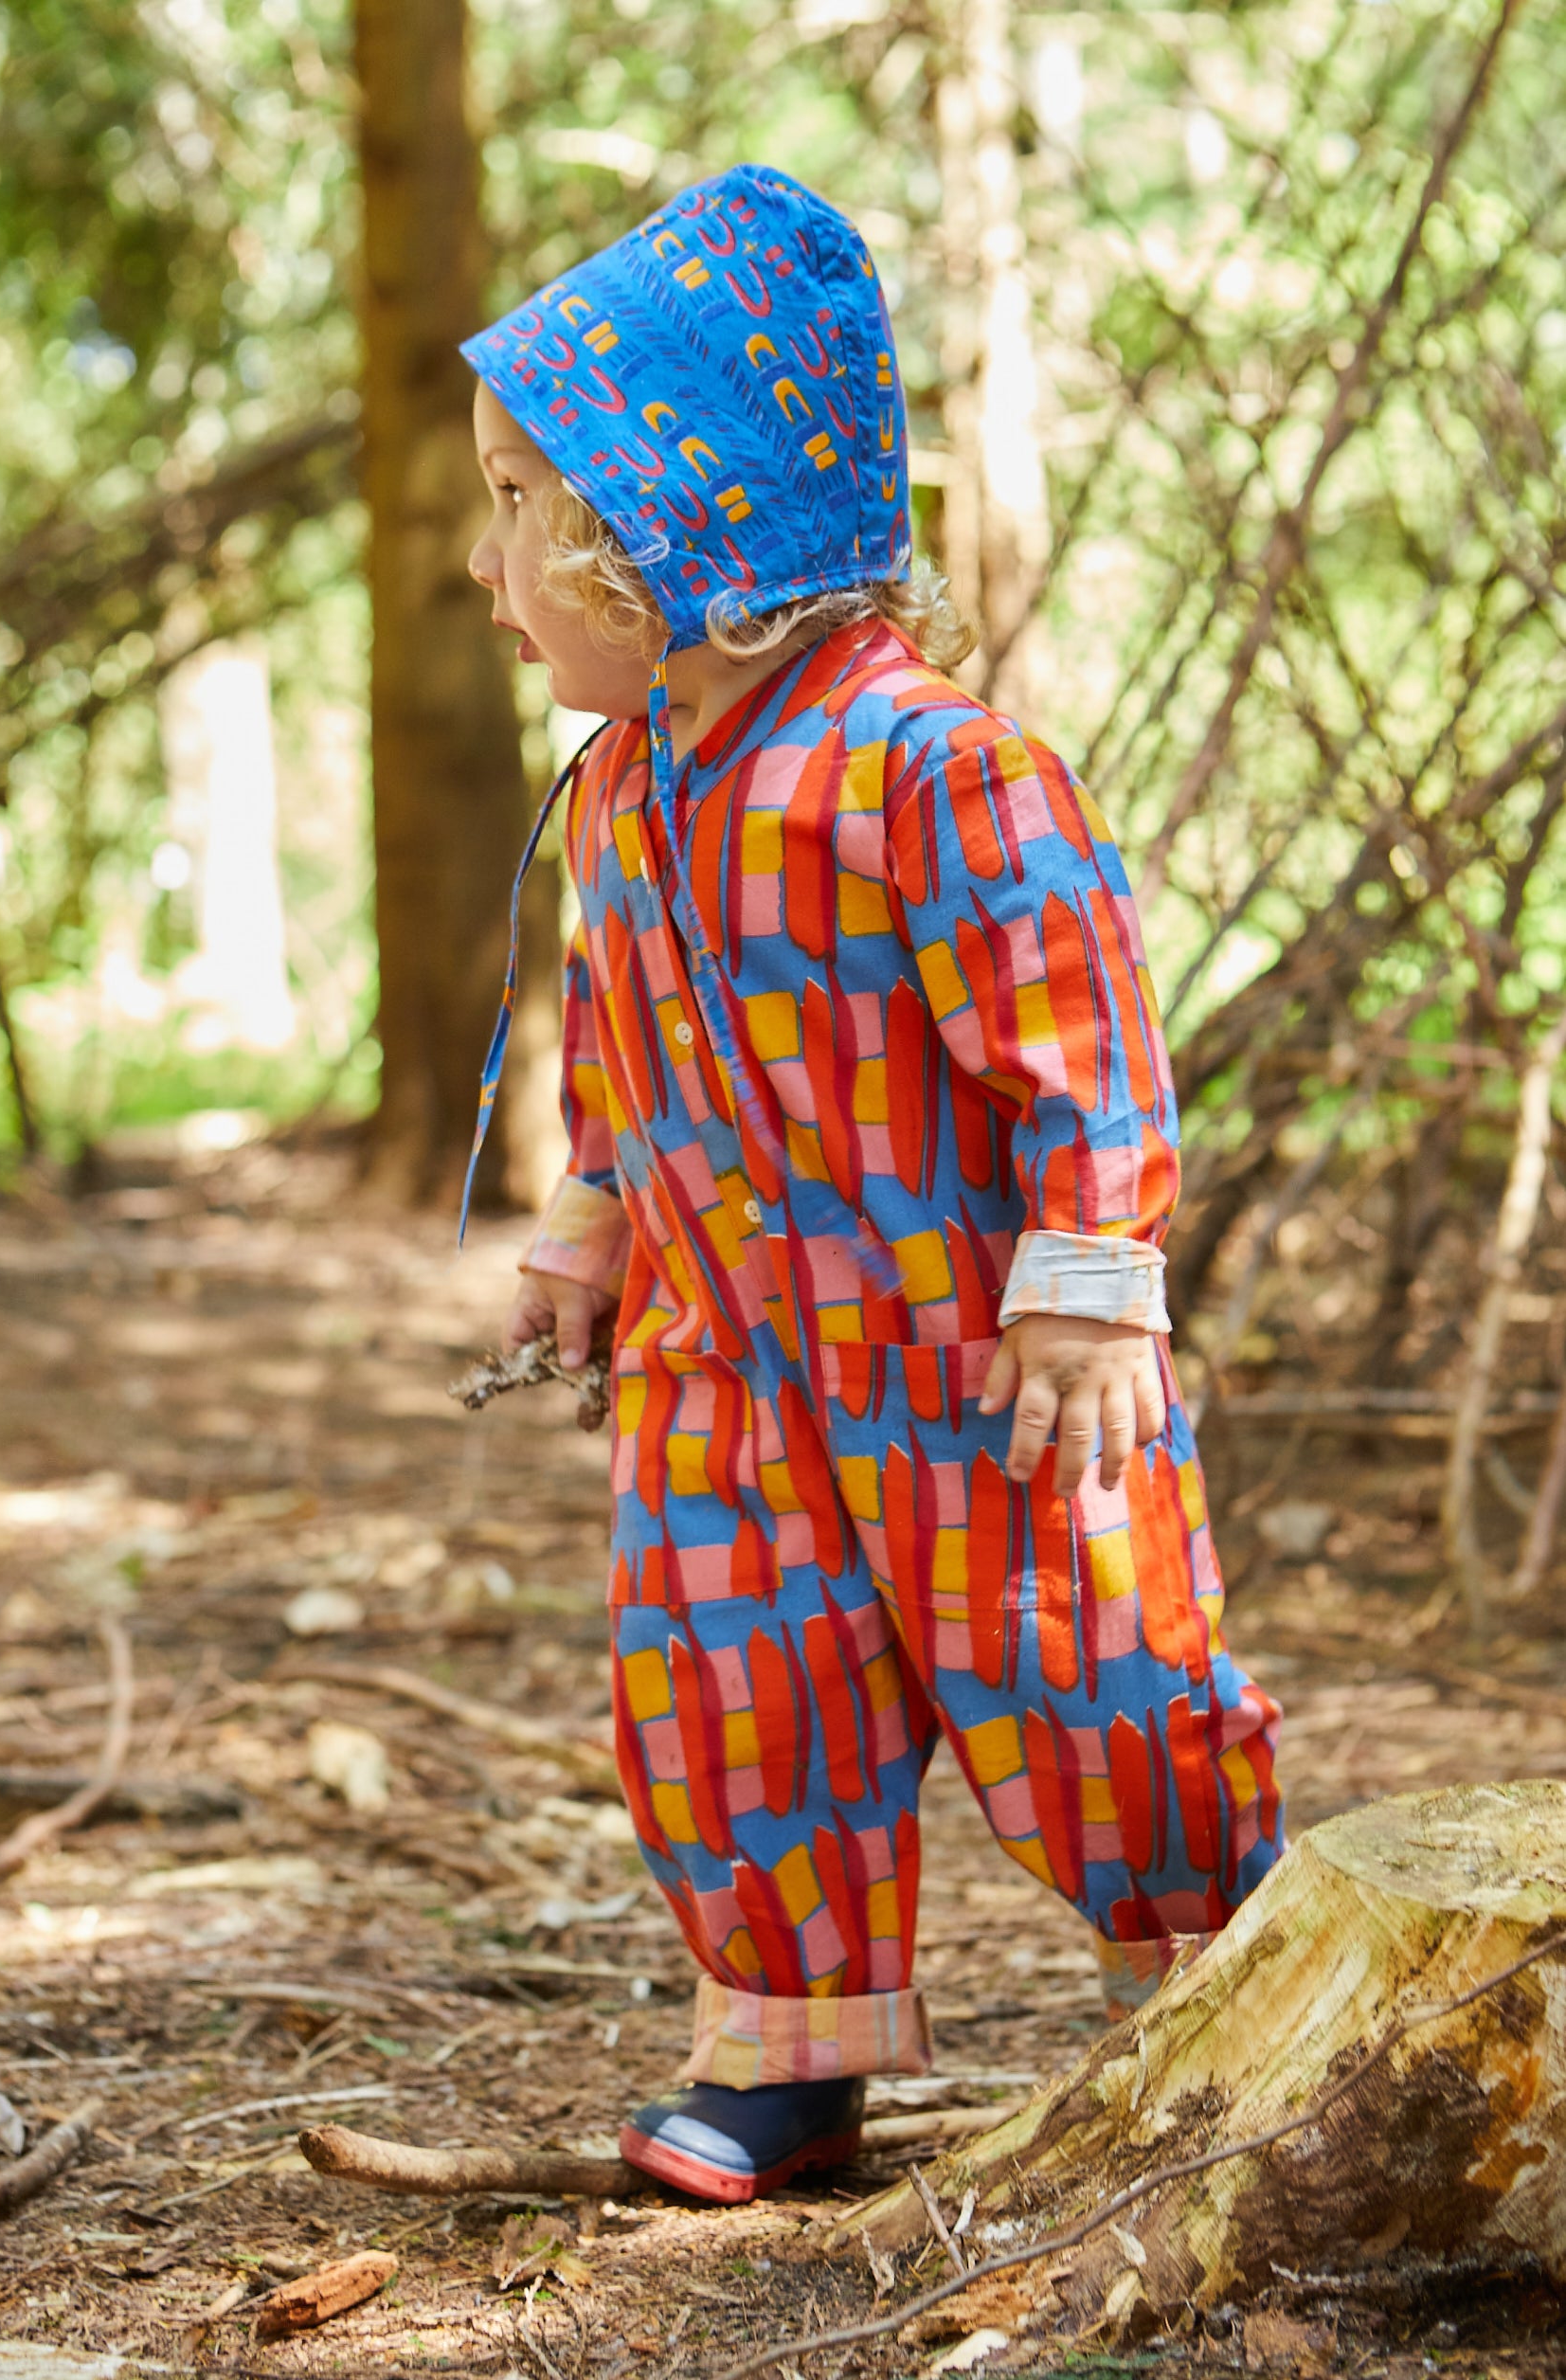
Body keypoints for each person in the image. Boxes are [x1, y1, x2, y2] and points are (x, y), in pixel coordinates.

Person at [460, 162, 1284, 2205]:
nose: (482, 563)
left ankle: (1207, 1996)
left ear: (656, 525)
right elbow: (625, 1044)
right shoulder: (631, 792)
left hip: (982, 1357)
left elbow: (1074, 1008)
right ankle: (788, 2045)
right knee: (736, 1678)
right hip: (729, 1362)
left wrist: (1092, 1263)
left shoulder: (928, 765)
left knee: (1087, 1662)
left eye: (508, 506)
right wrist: (595, 1218)